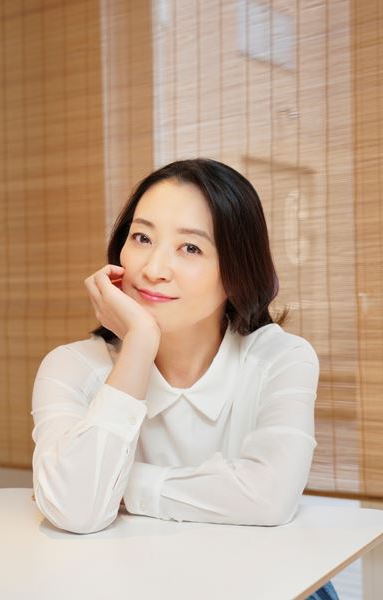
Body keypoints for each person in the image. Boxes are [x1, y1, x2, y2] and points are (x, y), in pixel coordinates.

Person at [31, 158, 339, 599]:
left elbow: (270, 498)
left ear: (236, 272)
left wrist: (124, 485)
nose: (154, 268)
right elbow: (77, 511)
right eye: (142, 238)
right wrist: (139, 342)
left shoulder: (281, 358)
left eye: (190, 248)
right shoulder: (71, 367)